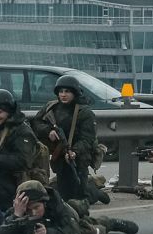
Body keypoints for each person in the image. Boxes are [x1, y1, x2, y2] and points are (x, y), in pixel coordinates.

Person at [30, 74, 105, 205]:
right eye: (61, 91)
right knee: (65, 194)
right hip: (59, 154)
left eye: (67, 91)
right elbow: (36, 123)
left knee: (80, 195)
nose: (63, 95)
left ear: (75, 93)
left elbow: (87, 139)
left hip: (79, 156)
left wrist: (74, 152)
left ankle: (95, 192)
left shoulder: (84, 112)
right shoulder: (51, 107)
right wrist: (49, 131)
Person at [0, 180, 83, 234]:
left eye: (36, 207)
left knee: (80, 211)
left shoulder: (57, 207)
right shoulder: (18, 210)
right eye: (28, 209)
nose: (33, 213)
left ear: (44, 203)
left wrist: (48, 233)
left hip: (75, 212)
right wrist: (17, 215)